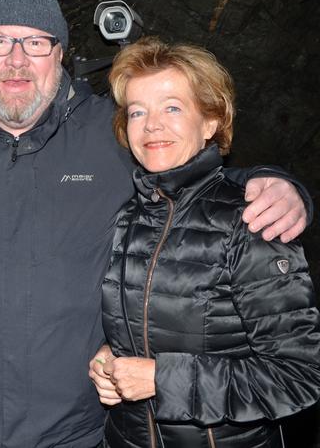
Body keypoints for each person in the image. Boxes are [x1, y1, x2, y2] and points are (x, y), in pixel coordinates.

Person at [0, 0, 311, 448]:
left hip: (81, 429)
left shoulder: (111, 131)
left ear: (60, 54)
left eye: (36, 43)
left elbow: (184, 171)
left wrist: (277, 184)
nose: (16, 59)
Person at [89, 37, 320, 447]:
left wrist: (162, 380)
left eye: (172, 108)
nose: (152, 124)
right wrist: (110, 356)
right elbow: (148, 331)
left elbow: (299, 376)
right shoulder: (128, 218)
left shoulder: (250, 221)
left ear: (211, 122)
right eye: (138, 111)